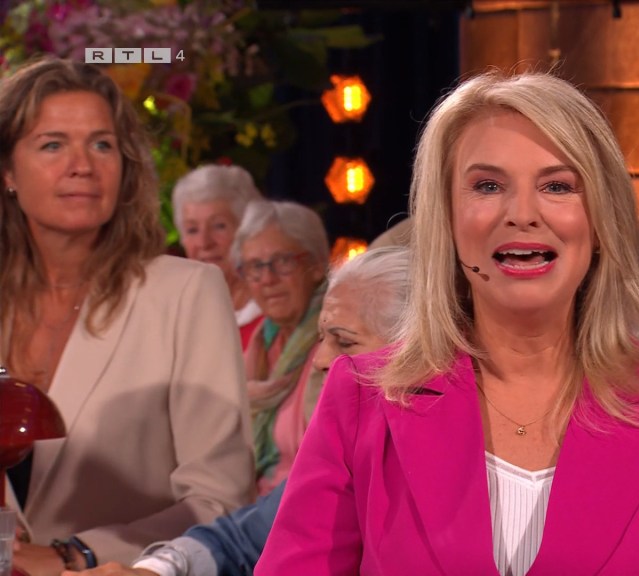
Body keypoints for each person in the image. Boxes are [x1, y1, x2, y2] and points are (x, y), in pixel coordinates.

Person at [257, 71, 639, 575]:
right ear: (447, 219)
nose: (521, 214)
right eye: (487, 186)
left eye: (558, 186)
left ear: (601, 222)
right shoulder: (362, 398)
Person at [0, 57, 254, 573]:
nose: (82, 165)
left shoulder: (185, 293)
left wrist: (77, 553)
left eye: (102, 145)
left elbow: (220, 498)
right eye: (53, 145)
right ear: (7, 171)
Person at [69, 246, 412, 576]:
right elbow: (239, 539)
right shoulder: (344, 450)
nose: (320, 360)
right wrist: (153, 569)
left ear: (416, 349)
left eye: (345, 341)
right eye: (321, 338)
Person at [231, 199, 330, 496]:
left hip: (305, 499)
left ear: (316, 265)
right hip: (255, 501)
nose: (268, 279)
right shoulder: (260, 345)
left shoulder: (335, 344)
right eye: (255, 267)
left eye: (283, 261)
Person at [172, 164, 263, 349]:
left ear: (248, 230)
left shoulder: (274, 316)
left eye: (219, 226)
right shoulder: (174, 314)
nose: (204, 242)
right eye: (192, 230)